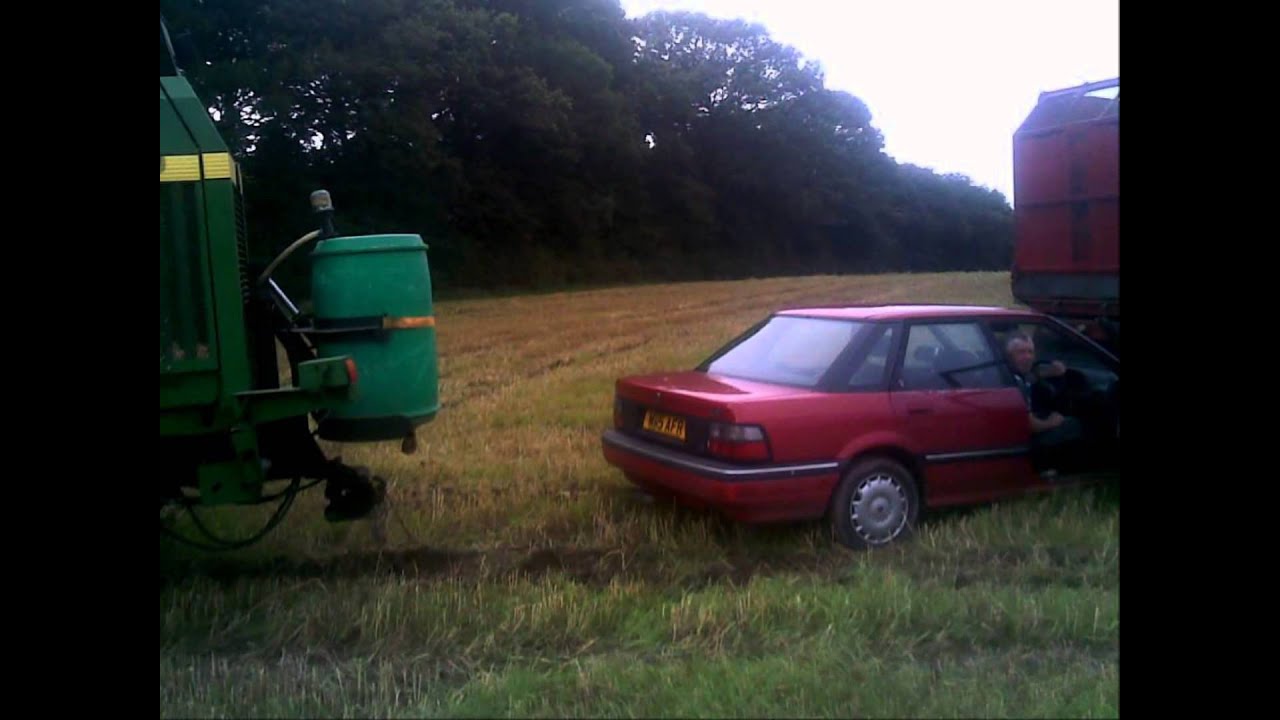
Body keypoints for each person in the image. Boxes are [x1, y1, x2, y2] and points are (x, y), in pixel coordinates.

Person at [1004, 332, 1083, 477]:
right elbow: (1031, 426)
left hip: (1013, 435)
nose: (1027, 357)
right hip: (1025, 438)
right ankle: (1056, 473)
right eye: (1021, 352)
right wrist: (1052, 422)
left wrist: (1050, 373)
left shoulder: (1008, 374)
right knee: (1073, 425)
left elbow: (1031, 378)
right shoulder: (1015, 383)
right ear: (1009, 356)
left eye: (1030, 352)